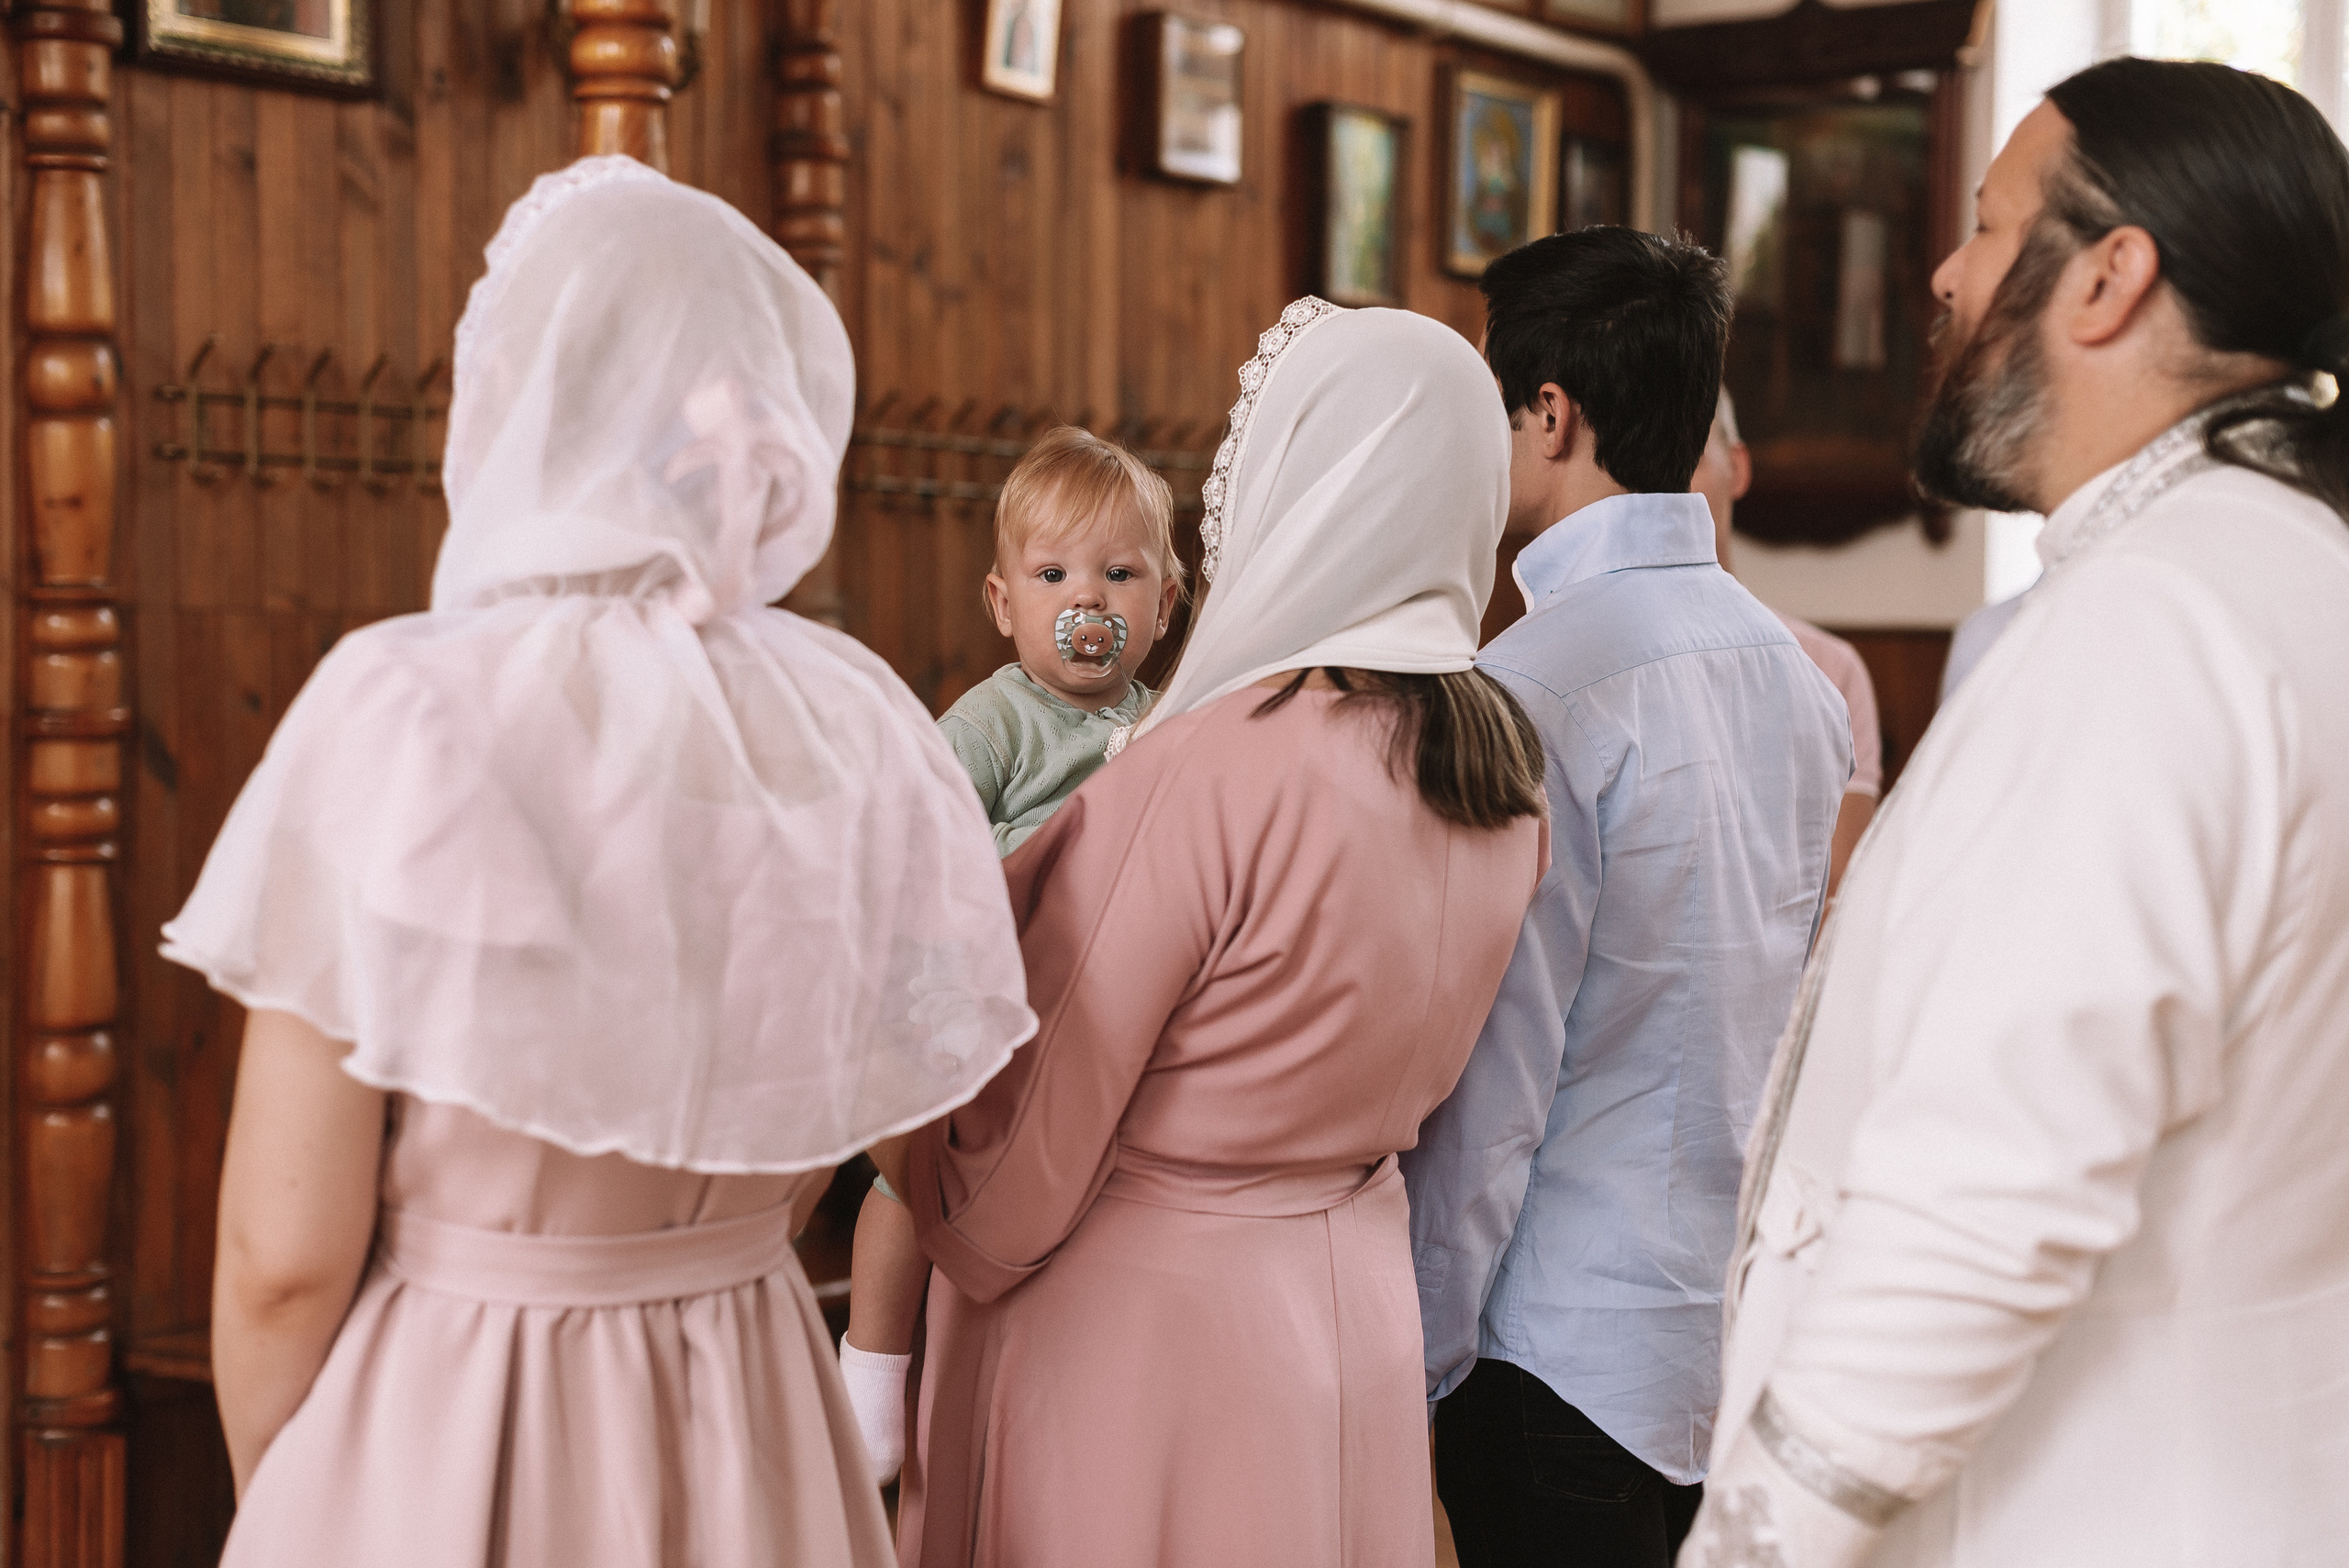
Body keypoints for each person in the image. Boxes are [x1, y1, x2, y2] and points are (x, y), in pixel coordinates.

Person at [169, 157, 1034, 1567]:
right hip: (756, 1410)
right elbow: (815, 1127)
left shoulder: (405, 709)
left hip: (450, 1420)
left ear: (523, 396)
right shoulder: (853, 722)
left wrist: (296, 1498)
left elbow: (282, 1258)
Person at [1682, 59, 2349, 1568]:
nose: (1946, 269)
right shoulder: (2290, 568)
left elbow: (1984, 1199)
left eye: (1987, 226)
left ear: (2112, 275)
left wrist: (1753, 1540)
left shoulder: (2151, 628)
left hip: (2095, 1503)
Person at [877, 297, 1553, 1568]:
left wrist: (885, 1114)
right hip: (1355, 1299)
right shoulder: (1505, 781)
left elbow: (1015, 1170)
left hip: (1146, 1334)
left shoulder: (1206, 768)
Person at [1402, 228, 1850, 1568]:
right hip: (1724, 1325)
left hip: (1550, 1340)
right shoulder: (1798, 674)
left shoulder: (1535, 681)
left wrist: (1413, 1364)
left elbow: (1498, 1082)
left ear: (1549, 414)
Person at [839, 425, 1186, 1483]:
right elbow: (918, 843)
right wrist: (1048, 849)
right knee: (913, 1175)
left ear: (1166, 605)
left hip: (1100, 1011)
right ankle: (872, 1366)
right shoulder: (997, 721)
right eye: (1054, 574)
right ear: (1004, 603)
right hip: (980, 998)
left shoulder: (1166, 723)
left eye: (1120, 573)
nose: (1090, 600)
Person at [1691, 389, 1884, 895]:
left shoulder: (1829, 669)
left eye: (1686, 456)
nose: (1662, 491)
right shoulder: (1593, 665)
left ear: (1737, 468)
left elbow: (1840, 887)